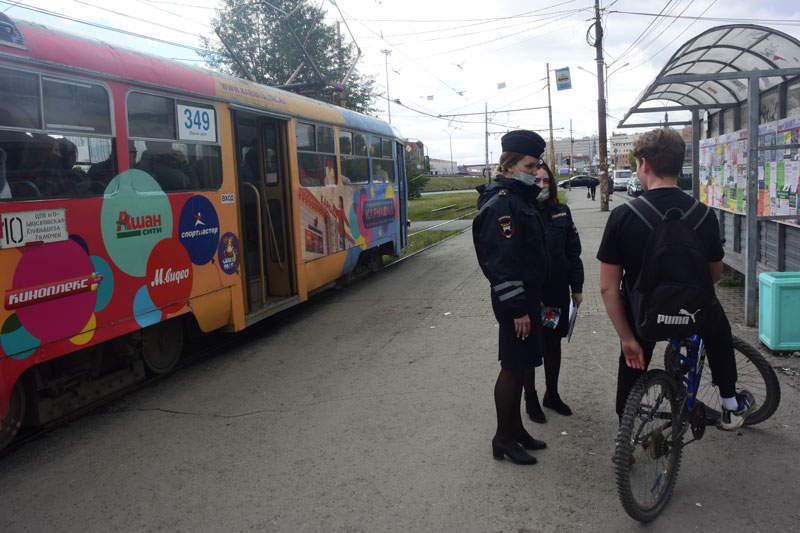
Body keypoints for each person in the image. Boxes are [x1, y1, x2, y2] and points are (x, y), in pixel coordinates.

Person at [597, 128, 756, 434]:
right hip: (694, 313)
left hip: (643, 315)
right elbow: (715, 275)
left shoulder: (623, 216)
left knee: (631, 362)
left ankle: (626, 433)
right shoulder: (704, 214)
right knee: (719, 331)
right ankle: (730, 405)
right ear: (679, 163)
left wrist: (627, 338)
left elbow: (607, 287)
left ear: (643, 164)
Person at [472, 129, 550, 465]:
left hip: (526, 296)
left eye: (536, 166)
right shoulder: (503, 203)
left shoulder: (517, 198)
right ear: (510, 164)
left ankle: (516, 429)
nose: (535, 172)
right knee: (512, 366)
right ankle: (502, 438)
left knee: (521, 367)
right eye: (530, 166)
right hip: (514, 300)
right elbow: (501, 263)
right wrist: (518, 308)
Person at [523, 161, 583, 423]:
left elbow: (574, 253)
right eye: (536, 181)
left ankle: (552, 394)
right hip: (529, 294)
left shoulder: (562, 212)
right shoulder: (521, 211)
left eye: (546, 181)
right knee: (528, 348)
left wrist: (577, 288)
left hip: (557, 291)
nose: (542, 186)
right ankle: (531, 398)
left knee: (553, 344)